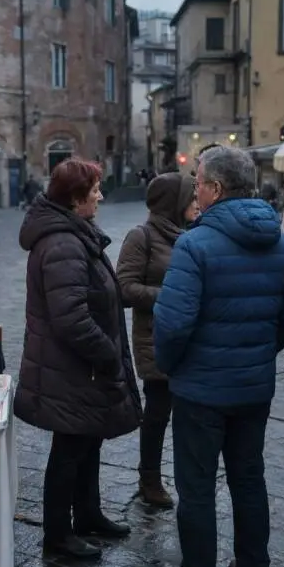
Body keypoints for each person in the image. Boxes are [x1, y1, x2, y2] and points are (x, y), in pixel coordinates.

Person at [150, 146, 284, 567]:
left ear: (216, 189)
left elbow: (173, 324)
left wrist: (174, 365)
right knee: (249, 479)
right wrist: (256, 353)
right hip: (252, 387)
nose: (194, 191)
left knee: (196, 488)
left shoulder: (195, 244)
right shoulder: (283, 244)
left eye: (198, 182)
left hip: (201, 388)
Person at [14, 157, 143, 560]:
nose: (101, 196)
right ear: (75, 199)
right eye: (95, 190)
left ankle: (87, 514)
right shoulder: (62, 243)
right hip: (71, 367)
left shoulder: (74, 232)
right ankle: (58, 534)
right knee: (69, 448)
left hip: (79, 367)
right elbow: (71, 318)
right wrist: (108, 356)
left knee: (88, 441)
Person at [116, 172, 198, 509]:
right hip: (157, 339)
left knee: (191, 415)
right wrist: (170, 296)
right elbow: (123, 288)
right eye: (189, 196)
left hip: (192, 340)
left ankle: (188, 477)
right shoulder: (142, 237)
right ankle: (149, 477)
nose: (196, 202)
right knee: (158, 413)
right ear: (173, 202)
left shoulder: (196, 234)